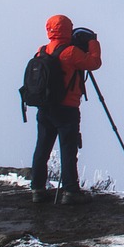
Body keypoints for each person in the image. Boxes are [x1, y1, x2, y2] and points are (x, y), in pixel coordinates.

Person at [29, 14, 102, 204]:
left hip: (45, 108)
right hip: (67, 109)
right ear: (68, 29)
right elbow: (94, 63)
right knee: (68, 150)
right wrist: (93, 42)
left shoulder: (41, 51)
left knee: (42, 149)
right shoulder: (70, 52)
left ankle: (37, 189)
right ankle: (70, 192)